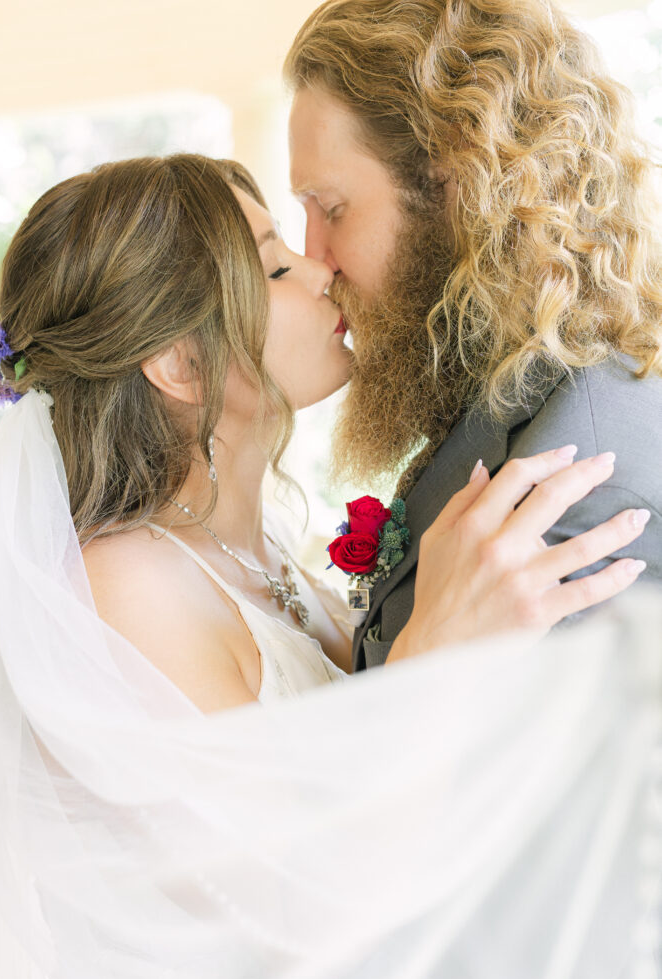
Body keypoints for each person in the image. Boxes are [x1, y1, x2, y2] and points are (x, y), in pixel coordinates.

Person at [0, 154, 656, 979]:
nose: (321, 268)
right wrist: (438, 652)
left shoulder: (267, 553)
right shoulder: (124, 586)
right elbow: (276, 920)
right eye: (272, 266)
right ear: (180, 366)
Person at [284, 0, 662, 670]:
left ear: (457, 183)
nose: (315, 255)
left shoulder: (577, 478)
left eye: (332, 208)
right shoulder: (518, 390)